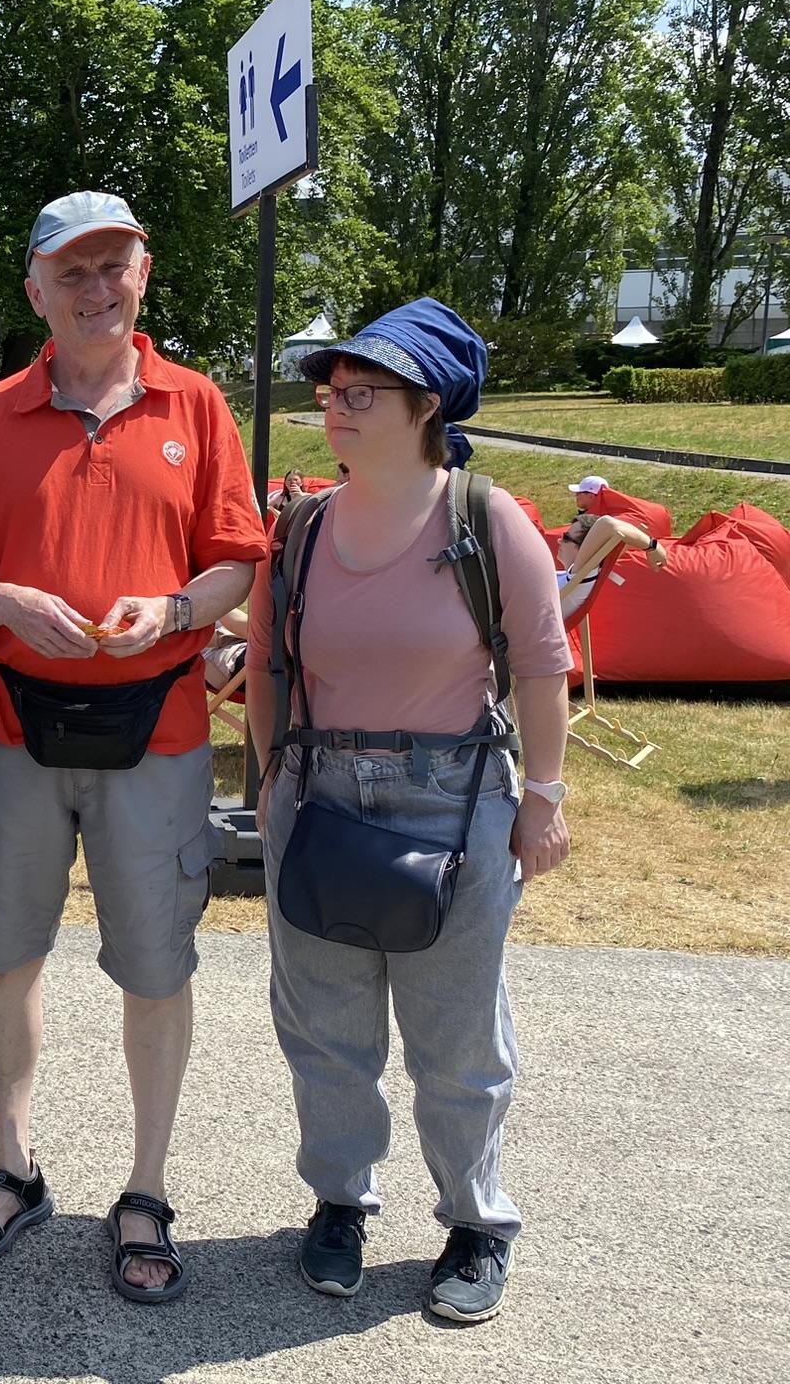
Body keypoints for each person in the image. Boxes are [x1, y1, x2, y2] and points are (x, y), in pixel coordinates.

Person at [0, 191, 265, 1301]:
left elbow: (233, 561)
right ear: (34, 288)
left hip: (157, 730)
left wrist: (172, 613)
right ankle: (14, 1168)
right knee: (4, 952)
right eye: (71, 270)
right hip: (11, 726)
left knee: (154, 964)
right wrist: (2, 603)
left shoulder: (196, 404)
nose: (94, 287)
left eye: (112, 265)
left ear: (142, 276)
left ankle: (146, 1186)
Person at [244, 297, 572, 1325]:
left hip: (455, 801)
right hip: (319, 795)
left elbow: (541, 664)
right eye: (328, 390)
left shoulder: (483, 518)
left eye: (359, 391)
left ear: (425, 404)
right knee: (323, 1031)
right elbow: (263, 662)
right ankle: (338, 1203)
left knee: (456, 1039)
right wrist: (266, 785)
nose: (332, 406)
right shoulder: (297, 528)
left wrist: (544, 801)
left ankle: (473, 1222)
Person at [558, 512, 668, 620]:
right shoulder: (575, 579)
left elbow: (608, 524)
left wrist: (653, 546)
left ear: (586, 547)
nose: (559, 541)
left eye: (566, 537)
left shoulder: (580, 578)